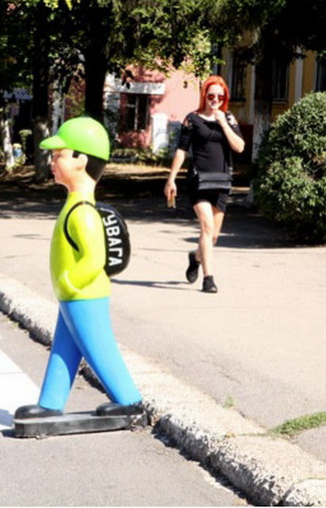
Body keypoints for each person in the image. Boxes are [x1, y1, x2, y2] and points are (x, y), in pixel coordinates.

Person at [15, 117, 143, 420]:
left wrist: (71, 282)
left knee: (97, 346)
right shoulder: (75, 205)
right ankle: (50, 403)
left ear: (81, 160)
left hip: (84, 294)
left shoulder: (83, 213)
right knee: (64, 350)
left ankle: (129, 400)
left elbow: (93, 259)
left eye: (59, 155)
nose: (53, 161)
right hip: (73, 295)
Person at [164, 76, 245, 293]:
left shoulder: (229, 118)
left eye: (220, 96)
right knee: (207, 227)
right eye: (211, 96)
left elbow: (239, 147)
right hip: (198, 181)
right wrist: (171, 178)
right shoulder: (192, 119)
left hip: (222, 181)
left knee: (213, 236)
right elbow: (181, 150)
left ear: (224, 98)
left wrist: (222, 123)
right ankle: (209, 279)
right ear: (204, 96)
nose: (215, 100)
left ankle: (196, 257)